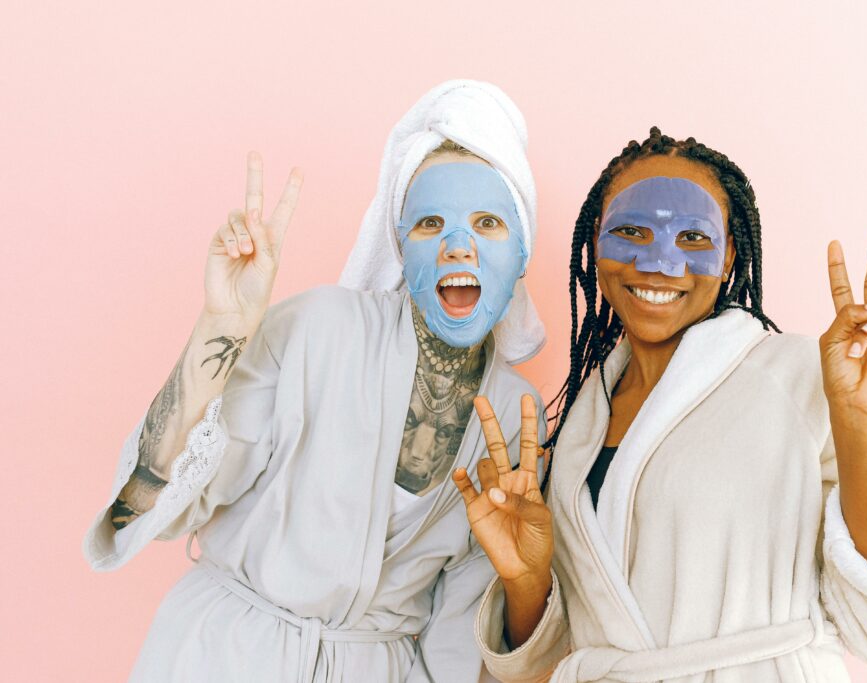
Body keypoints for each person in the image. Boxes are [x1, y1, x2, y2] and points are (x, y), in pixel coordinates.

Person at [83, 79, 545, 682]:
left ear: (523, 252)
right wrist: (217, 331)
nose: (459, 246)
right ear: (402, 246)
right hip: (222, 657)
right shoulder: (317, 328)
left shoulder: (517, 413)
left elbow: (459, 627)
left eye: (488, 222)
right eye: (430, 223)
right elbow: (165, 505)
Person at [454, 128, 867, 682]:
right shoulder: (578, 430)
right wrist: (526, 578)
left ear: (729, 255)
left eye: (692, 238)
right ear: (595, 243)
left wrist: (864, 423)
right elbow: (548, 661)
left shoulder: (798, 376)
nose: (659, 263)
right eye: (631, 231)